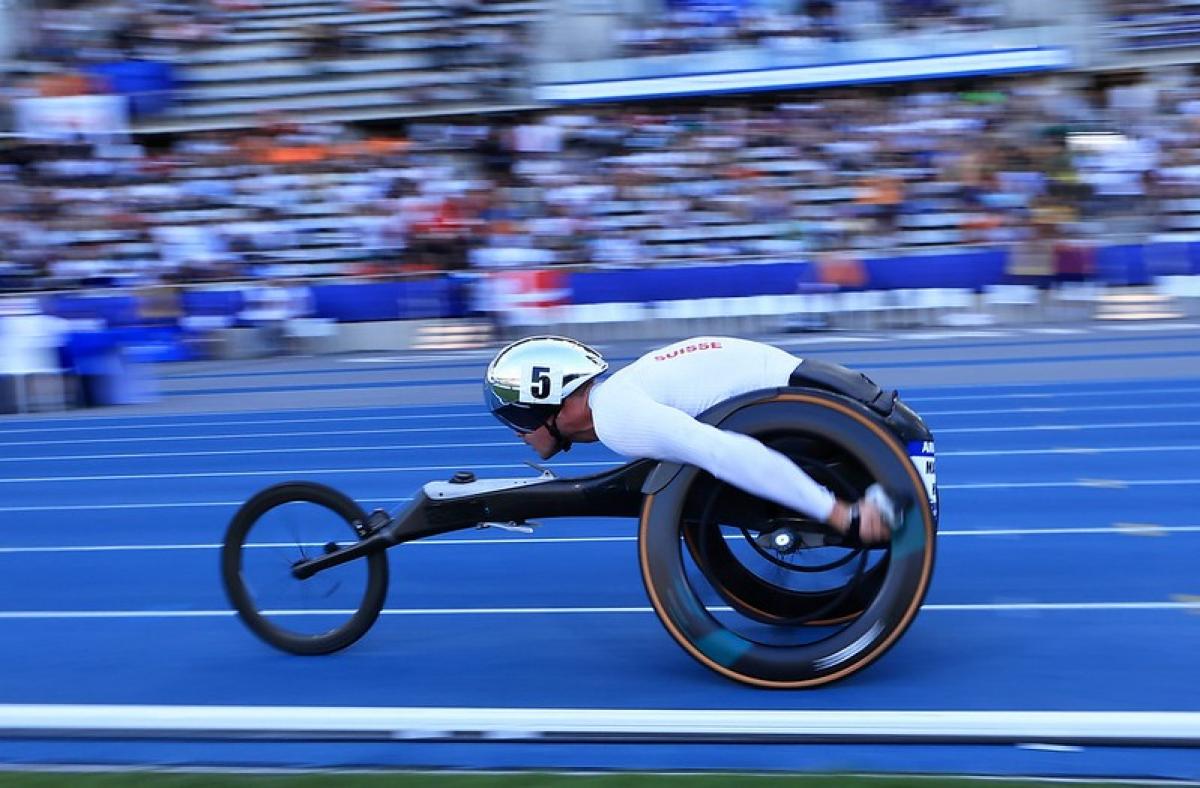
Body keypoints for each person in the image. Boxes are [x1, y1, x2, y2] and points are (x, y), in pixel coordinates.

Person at [483, 335, 898, 544]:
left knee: (714, 458)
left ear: (545, 403)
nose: (519, 435)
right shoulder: (625, 390)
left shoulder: (614, 418)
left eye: (516, 421)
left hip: (809, 412)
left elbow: (722, 451)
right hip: (817, 389)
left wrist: (839, 514)